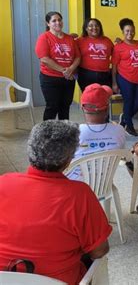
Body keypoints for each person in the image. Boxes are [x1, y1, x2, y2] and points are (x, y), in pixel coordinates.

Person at [0, 120, 111, 284]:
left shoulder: (4, 182)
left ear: (30, 152)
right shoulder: (79, 194)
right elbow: (99, 251)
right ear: (67, 160)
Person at [66, 83, 126, 181]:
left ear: (82, 107)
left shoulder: (72, 133)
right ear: (107, 109)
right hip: (103, 187)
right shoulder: (119, 130)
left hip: (75, 188)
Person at [35, 11, 81, 121]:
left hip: (68, 78)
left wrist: (70, 69)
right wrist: (64, 70)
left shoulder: (70, 39)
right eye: (54, 21)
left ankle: (64, 133)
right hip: (50, 78)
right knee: (52, 107)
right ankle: (47, 134)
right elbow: (44, 58)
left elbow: (78, 57)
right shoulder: (44, 37)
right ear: (48, 23)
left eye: (59, 20)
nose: (58, 23)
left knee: (65, 107)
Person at [112, 18, 138, 136]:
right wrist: (114, 83)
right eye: (127, 31)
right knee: (129, 102)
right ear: (122, 32)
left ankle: (125, 119)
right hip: (125, 78)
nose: (130, 33)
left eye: (132, 31)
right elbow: (114, 66)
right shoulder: (118, 47)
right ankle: (129, 126)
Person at [77, 18, 114, 91]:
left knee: (103, 97)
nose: (94, 28)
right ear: (86, 28)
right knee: (89, 99)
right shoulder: (80, 41)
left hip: (104, 75)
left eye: (97, 25)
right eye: (90, 26)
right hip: (86, 75)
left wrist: (121, 43)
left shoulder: (107, 40)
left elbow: (116, 54)